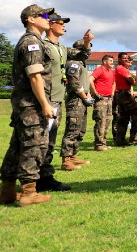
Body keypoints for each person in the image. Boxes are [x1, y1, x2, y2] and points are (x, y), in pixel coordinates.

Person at [0, 5, 56, 206]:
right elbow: (34, 76)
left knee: (17, 146)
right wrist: (45, 104)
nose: (48, 19)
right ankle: (29, 192)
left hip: (24, 105)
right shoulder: (32, 42)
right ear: (31, 19)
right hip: (31, 104)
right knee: (34, 145)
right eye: (44, 16)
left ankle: (6, 191)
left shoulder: (29, 41)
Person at [39, 12, 92, 192]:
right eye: (60, 22)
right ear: (50, 24)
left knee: (51, 139)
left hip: (57, 99)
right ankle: (37, 179)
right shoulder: (42, 45)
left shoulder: (61, 48)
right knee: (43, 139)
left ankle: (45, 177)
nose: (64, 26)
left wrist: (86, 42)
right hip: (47, 98)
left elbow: (82, 54)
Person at [60, 49, 94, 170]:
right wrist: (85, 97)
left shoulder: (81, 64)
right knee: (72, 129)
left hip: (82, 100)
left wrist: (88, 95)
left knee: (80, 129)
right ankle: (66, 160)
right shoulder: (73, 64)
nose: (88, 53)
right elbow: (74, 82)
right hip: (76, 100)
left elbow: (84, 84)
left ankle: (73, 156)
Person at [113, 53, 137, 145]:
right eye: (124, 58)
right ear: (119, 59)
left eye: (127, 58)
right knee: (136, 110)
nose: (126, 60)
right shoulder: (121, 68)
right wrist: (133, 81)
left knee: (124, 117)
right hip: (123, 93)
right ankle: (133, 136)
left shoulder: (122, 69)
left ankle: (120, 140)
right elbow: (131, 81)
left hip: (122, 93)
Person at [90, 54, 116, 150]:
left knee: (108, 121)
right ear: (105, 61)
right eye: (110, 61)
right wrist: (95, 92)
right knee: (101, 121)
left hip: (109, 99)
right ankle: (98, 144)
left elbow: (114, 82)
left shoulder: (111, 72)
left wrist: (112, 93)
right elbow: (90, 79)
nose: (112, 62)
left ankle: (103, 142)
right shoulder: (99, 70)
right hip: (101, 99)